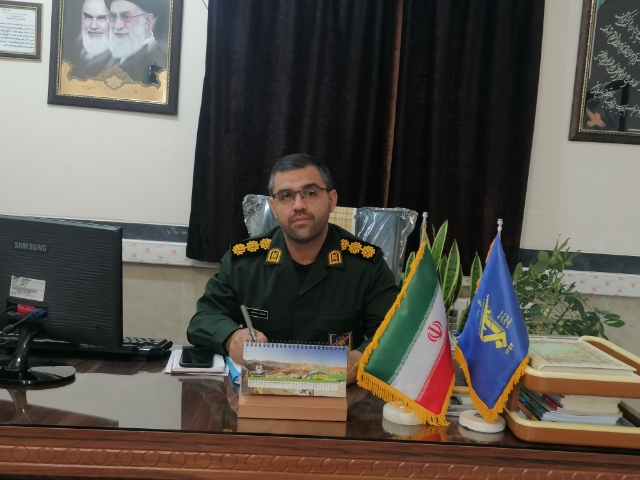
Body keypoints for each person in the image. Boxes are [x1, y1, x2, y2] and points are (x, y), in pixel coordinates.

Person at [187, 154, 401, 384]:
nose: (299, 205)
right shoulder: (244, 262)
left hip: (340, 393)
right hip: (262, 393)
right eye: (286, 196)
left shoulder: (365, 264)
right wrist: (232, 337)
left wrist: (360, 359)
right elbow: (205, 318)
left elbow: (397, 332)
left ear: (331, 200)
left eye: (310, 193)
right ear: (274, 207)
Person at [105, 0, 167, 85]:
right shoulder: (114, 57)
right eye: (113, 16)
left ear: (147, 21)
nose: (117, 26)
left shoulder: (155, 62)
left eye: (126, 17)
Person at [65, 0, 112, 79]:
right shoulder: (73, 49)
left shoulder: (122, 61)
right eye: (88, 17)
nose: (93, 26)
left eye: (102, 18)